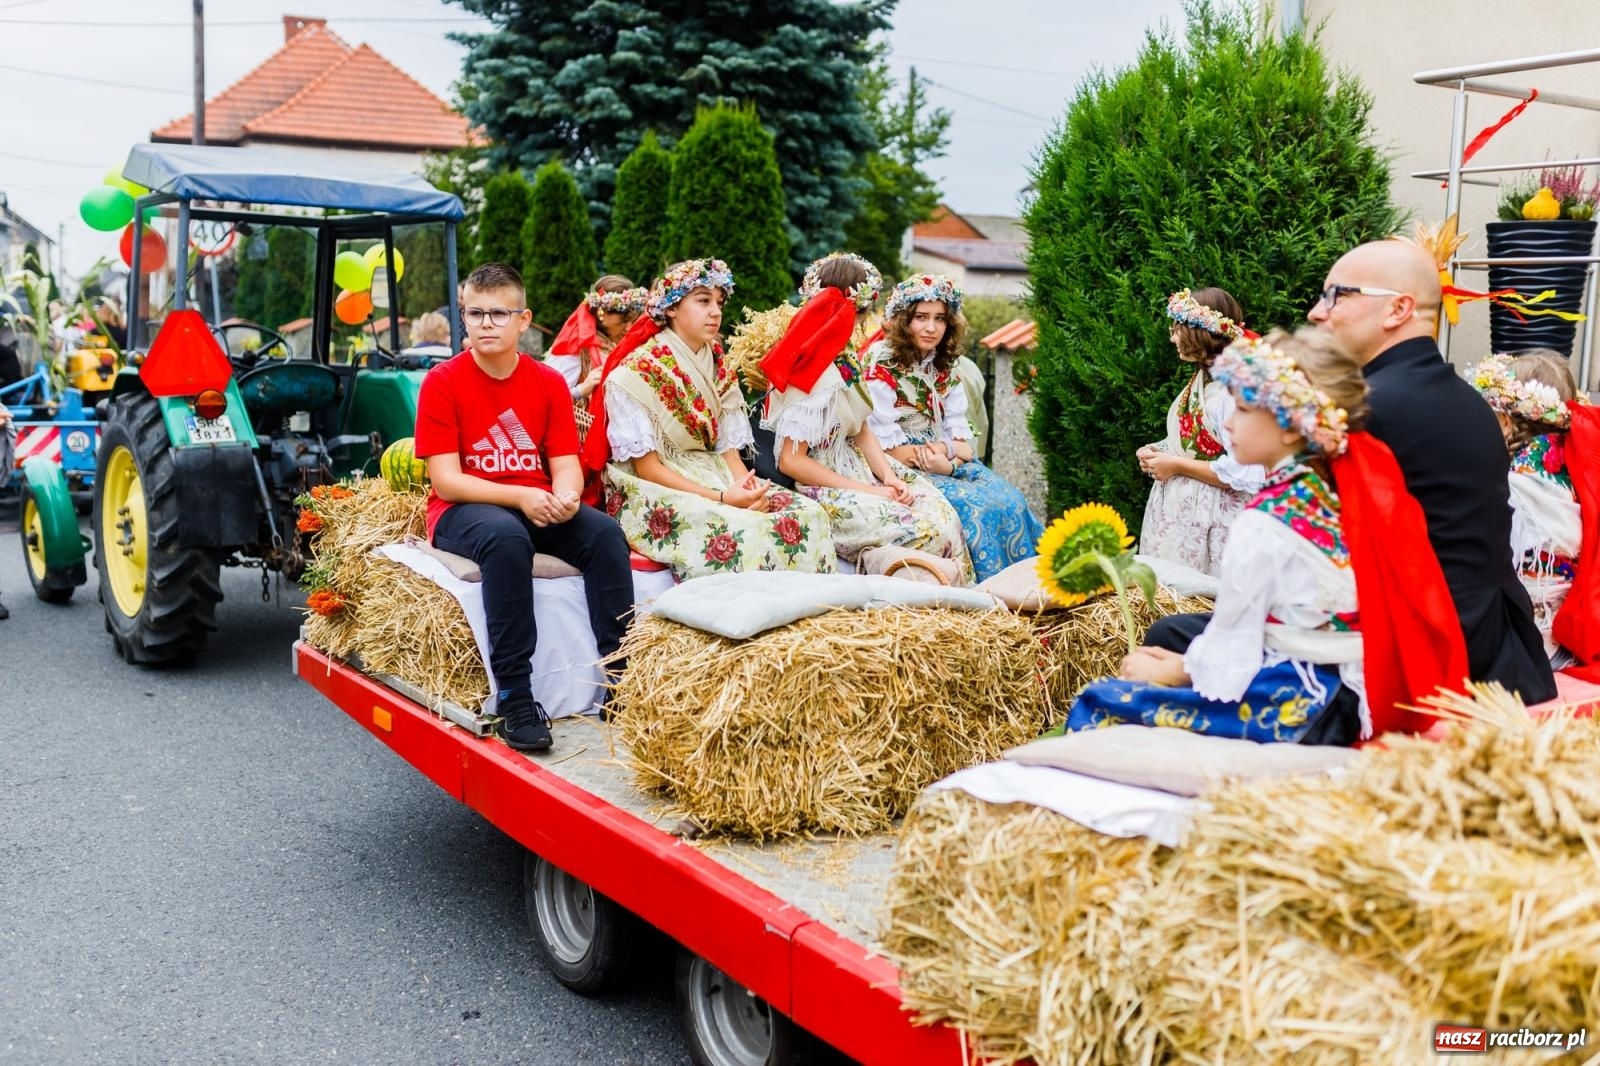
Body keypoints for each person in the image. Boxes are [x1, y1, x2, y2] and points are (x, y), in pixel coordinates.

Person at [1149, 241, 1557, 705]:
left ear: (1397, 309)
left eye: (1336, 295)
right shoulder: (1467, 401)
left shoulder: (1359, 411)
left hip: (1423, 650)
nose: (1317, 313)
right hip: (1505, 645)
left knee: (1172, 635)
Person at [1068, 329, 1467, 743]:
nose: (1226, 422)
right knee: (1169, 637)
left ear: (1292, 428)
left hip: (1303, 706)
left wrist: (1166, 671)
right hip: (1354, 692)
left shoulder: (1264, 522)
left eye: (1241, 408)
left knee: (1099, 703)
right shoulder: (1338, 487)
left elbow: (1231, 646)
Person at [415, 263, 634, 753]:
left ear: (523, 319)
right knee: (507, 539)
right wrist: (521, 496)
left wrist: (569, 495)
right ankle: (515, 694)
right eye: (476, 313)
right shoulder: (443, 382)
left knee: (602, 534)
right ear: (464, 318)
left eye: (499, 313)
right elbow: (446, 482)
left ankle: (622, 680)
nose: (486, 323)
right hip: (466, 509)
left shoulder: (547, 383)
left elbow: (566, 464)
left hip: (534, 501)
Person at [583, 259, 836, 578]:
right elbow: (646, 468)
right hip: (654, 484)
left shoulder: (718, 364)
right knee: (732, 527)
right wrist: (722, 498)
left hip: (714, 472)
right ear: (671, 308)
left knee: (809, 515)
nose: (715, 311)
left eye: (719, 302)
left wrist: (747, 490)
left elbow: (729, 452)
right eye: (703, 301)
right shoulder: (633, 374)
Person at [760, 253, 972, 579]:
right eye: (859, 316)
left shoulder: (843, 357)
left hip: (858, 468)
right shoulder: (807, 362)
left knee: (943, 517)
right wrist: (871, 491)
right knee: (923, 532)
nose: (859, 325)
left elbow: (860, 430)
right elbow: (792, 461)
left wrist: (889, 476)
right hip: (822, 481)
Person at [862, 273, 1043, 582]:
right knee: (977, 511)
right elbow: (885, 448)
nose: (931, 328)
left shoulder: (945, 367)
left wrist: (946, 460)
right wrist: (934, 459)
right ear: (903, 320)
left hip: (944, 463)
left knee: (1010, 500)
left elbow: (965, 446)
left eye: (940, 319)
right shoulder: (881, 366)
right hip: (899, 467)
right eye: (921, 317)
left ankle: (1028, 588)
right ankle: (989, 591)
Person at [1136, 288, 1266, 575]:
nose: (1172, 337)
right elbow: (1202, 443)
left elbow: (1248, 470)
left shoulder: (1234, 390)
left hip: (1214, 520)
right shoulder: (1204, 379)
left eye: (1178, 329)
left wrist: (1176, 464)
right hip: (1185, 516)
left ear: (1200, 331)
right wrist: (1161, 452)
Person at [1469, 351, 1583, 665]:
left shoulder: (1513, 486)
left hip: (1520, 646)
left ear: (1505, 422)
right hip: (1569, 642)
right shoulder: (1577, 473)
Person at [546, 276, 648, 411]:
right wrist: (581, 390)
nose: (629, 328)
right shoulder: (576, 347)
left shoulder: (613, 344)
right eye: (623, 321)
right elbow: (546, 398)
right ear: (602, 313)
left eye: (632, 321)